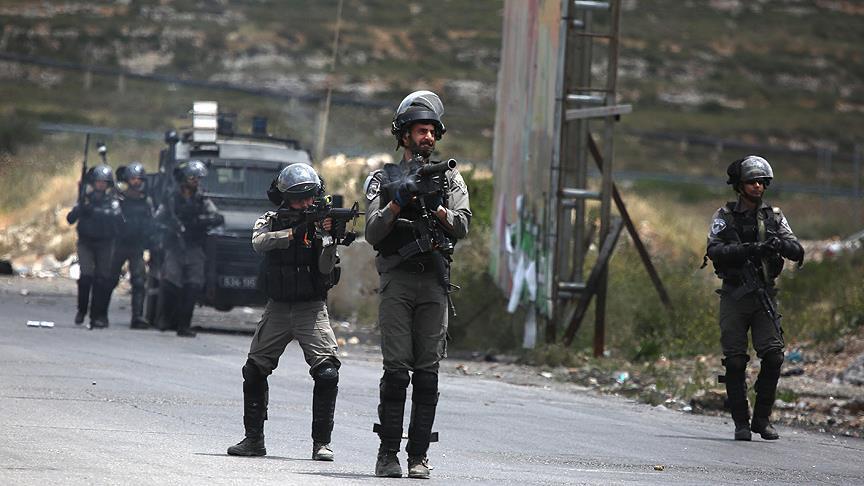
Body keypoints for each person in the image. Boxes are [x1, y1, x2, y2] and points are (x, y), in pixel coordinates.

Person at [363, 90, 471, 478]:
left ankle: (418, 456)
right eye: (420, 130)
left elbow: (462, 225)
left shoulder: (449, 177)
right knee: (396, 372)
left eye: (432, 131)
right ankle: (388, 454)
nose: (428, 137)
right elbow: (373, 232)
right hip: (398, 280)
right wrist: (399, 201)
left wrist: (435, 204)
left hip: (434, 282)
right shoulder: (383, 179)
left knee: (428, 373)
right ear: (404, 135)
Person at [227, 163, 342, 461]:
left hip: (311, 308)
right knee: (254, 370)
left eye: (309, 197)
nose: (305, 203)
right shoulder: (271, 220)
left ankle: (321, 444)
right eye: (298, 199)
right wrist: (293, 232)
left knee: (327, 373)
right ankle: (253, 440)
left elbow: (326, 268)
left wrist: (328, 237)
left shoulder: (322, 223)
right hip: (278, 307)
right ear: (285, 199)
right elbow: (259, 242)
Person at [705, 155, 804, 441]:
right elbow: (714, 250)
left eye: (761, 182)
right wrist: (748, 250)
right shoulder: (725, 216)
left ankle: (762, 419)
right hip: (734, 295)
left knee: (773, 356)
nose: (757, 186)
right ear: (739, 185)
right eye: (751, 182)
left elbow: (797, 250)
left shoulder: (774, 217)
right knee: (735, 361)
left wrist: (778, 244)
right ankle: (741, 422)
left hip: (764, 295)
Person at [154, 160, 223, 337]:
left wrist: (201, 221)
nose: (196, 181)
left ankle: (184, 325)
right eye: (193, 178)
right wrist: (170, 228)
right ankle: (166, 318)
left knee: (193, 285)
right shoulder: (171, 198)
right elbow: (157, 219)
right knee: (171, 283)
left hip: (194, 246)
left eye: (198, 178)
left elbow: (217, 216)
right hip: (175, 246)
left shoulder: (202, 198)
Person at [66, 164, 124, 329]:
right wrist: (82, 208)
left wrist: (98, 211)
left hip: (105, 243)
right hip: (86, 243)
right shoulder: (85, 198)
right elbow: (70, 219)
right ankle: (82, 309)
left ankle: (97, 315)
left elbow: (118, 219)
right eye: (98, 182)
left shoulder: (113, 201)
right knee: (86, 277)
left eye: (104, 182)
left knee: (102, 279)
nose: (101, 185)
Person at [107, 162, 154, 329]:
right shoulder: (118, 199)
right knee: (109, 280)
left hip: (136, 246)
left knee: (139, 282)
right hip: (119, 244)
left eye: (139, 179)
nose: (136, 182)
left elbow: (151, 222)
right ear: (127, 180)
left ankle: (137, 317)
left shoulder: (146, 201)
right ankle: (100, 313)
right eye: (133, 179)